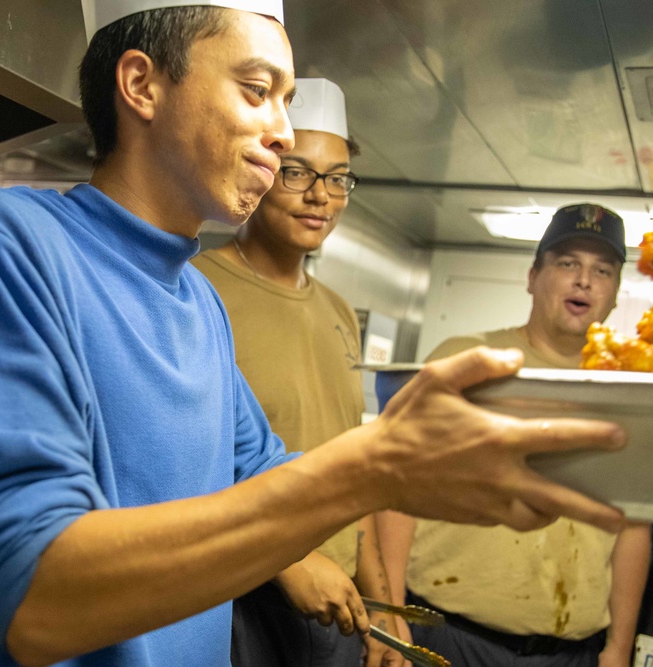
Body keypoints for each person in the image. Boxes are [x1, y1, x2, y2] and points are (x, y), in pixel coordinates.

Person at [0, 3, 629, 665]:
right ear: (142, 85)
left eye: (286, 101)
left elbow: (266, 472)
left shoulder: (196, 302)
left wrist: (433, 466)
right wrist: (372, 467)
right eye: (257, 90)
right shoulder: (6, 242)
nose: (282, 132)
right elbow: (32, 596)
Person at [379, 203, 652, 667]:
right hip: (450, 636)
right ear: (533, 277)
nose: (584, 280)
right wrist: (389, 611)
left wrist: (619, 646)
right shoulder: (466, 360)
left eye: (602, 270)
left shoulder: (634, 390)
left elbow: (633, 524)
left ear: (615, 290)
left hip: (572, 654)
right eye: (567, 264)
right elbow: (396, 486)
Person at [194, 78, 401, 666]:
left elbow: (350, 475)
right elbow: (181, 464)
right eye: (298, 172)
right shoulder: (199, 288)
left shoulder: (340, 312)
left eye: (337, 179)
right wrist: (287, 559)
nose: (321, 197)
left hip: (336, 605)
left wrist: (382, 609)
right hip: (235, 597)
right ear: (260, 166)